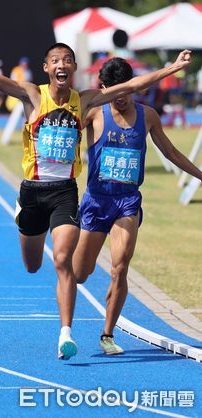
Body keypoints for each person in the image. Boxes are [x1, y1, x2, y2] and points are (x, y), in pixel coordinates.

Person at [0, 19, 191, 360]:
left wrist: (173, 68)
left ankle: (74, 334)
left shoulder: (86, 101)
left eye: (67, 60)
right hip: (36, 190)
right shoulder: (33, 94)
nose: (61, 65)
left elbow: (135, 83)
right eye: (55, 60)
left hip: (68, 192)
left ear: (74, 67)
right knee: (38, 266)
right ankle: (28, 223)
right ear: (47, 68)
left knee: (76, 262)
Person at [73, 57, 202, 355]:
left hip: (127, 202)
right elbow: (69, 136)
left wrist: (198, 174)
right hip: (95, 201)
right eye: (114, 92)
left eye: (126, 92)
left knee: (120, 266)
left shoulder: (148, 116)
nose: (121, 98)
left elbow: (170, 152)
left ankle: (107, 333)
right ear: (103, 88)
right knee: (80, 273)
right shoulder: (93, 113)